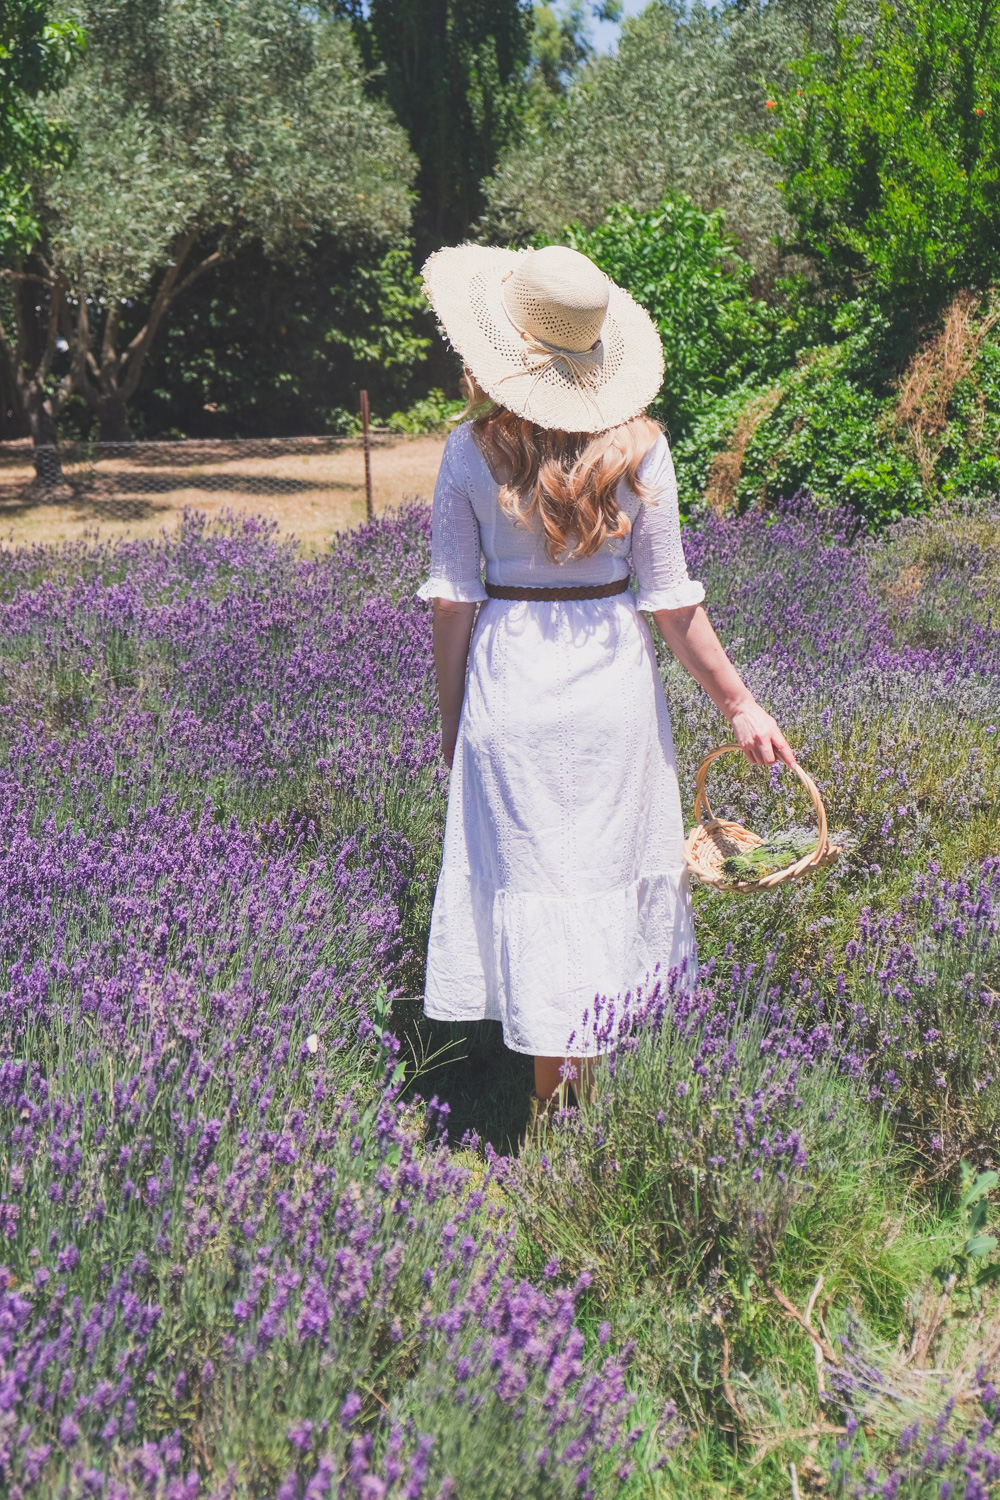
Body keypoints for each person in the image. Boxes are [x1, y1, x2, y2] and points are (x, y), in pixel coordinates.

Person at [417, 243, 794, 1122]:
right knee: (601, 877)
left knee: (540, 882)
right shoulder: (641, 451)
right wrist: (739, 704)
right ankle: (596, 1105)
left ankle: (556, 1114)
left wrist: (453, 719)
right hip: (610, 690)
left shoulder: (467, 454)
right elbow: (673, 604)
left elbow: (451, 605)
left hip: (512, 684)